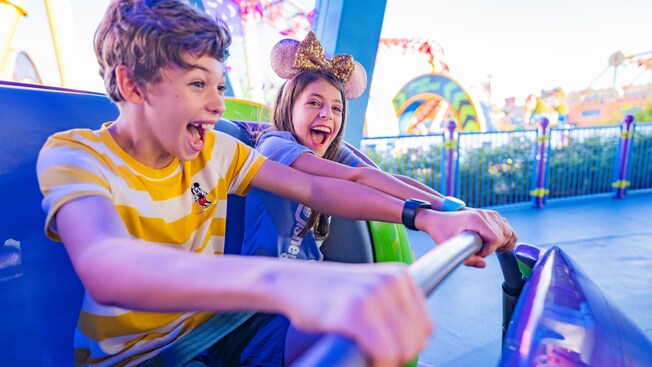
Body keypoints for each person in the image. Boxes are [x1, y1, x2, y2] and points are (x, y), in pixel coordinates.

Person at [36, 1, 515, 366]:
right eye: (199, 84)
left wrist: (428, 216)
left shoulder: (215, 151)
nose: (219, 106)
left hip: (221, 327)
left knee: (350, 341)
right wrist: (296, 283)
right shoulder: (76, 154)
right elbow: (108, 266)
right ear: (133, 85)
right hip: (144, 357)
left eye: (220, 87)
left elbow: (314, 189)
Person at [243, 31, 517, 264]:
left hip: (304, 283)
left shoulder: (335, 154)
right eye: (314, 103)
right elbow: (357, 179)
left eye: (337, 108)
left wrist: (454, 210)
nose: (327, 114)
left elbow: (379, 177)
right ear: (288, 106)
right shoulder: (275, 145)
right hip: (263, 293)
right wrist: (429, 218)